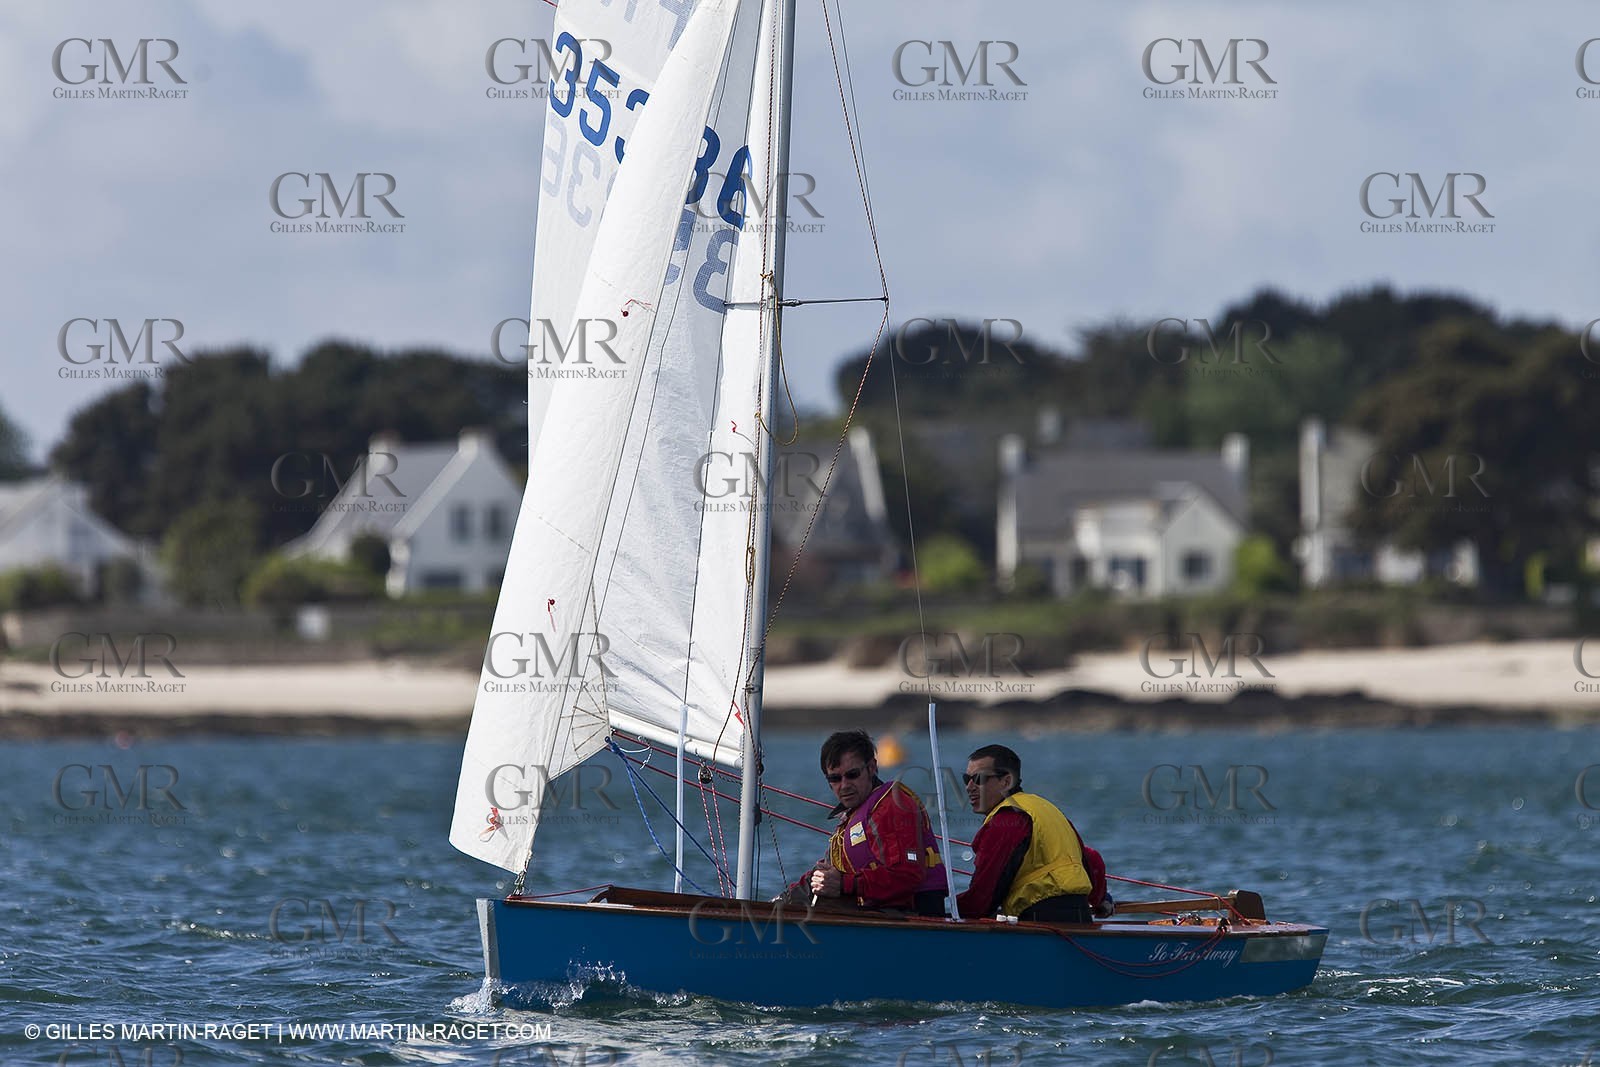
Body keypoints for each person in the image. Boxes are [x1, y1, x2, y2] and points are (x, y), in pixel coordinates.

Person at [780, 730, 948, 916]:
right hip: (874, 911)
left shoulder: (893, 807)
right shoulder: (854, 816)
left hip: (913, 918)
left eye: (852, 775)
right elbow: (828, 872)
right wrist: (782, 901)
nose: (844, 785)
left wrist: (845, 884)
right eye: (835, 778)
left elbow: (907, 875)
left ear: (872, 768)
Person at [956, 744, 1113, 923]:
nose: (969, 787)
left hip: (1042, 921)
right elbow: (1091, 859)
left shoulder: (1007, 820)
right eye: (966, 779)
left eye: (979, 779)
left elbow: (982, 897)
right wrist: (1101, 900)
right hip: (1081, 918)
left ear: (1006, 782)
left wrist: (948, 912)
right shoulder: (1045, 808)